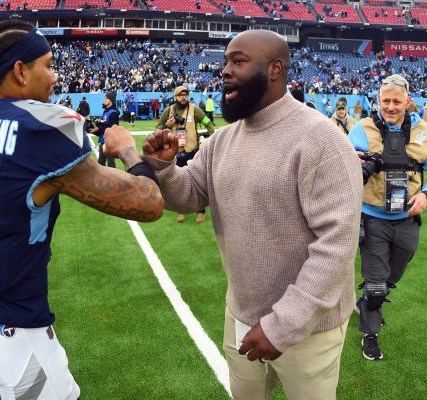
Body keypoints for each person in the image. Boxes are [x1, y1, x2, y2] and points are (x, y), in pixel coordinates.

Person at [0, 20, 163, 400]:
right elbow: (150, 203)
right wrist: (127, 149)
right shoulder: (40, 129)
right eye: (48, 64)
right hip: (16, 331)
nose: (56, 77)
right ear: (21, 72)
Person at [106, 29, 363, 399]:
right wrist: (163, 169)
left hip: (309, 329)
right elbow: (189, 195)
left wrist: (282, 324)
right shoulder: (223, 140)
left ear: (275, 69)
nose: (225, 70)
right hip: (241, 316)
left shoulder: (321, 140)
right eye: (226, 61)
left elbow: (336, 247)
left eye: (238, 61)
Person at [347, 74, 427, 361]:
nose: (391, 107)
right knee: (377, 283)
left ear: (408, 100)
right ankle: (370, 334)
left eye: (396, 101)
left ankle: (367, 299)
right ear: (377, 100)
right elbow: (341, 164)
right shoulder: (362, 128)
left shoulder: (423, 131)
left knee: (394, 273)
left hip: (407, 218)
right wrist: (351, 159)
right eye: (385, 101)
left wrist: (424, 194)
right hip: (373, 218)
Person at [157, 85, 215, 223]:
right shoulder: (168, 111)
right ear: (175, 97)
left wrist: (210, 141)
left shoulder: (195, 109)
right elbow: (158, 130)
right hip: (175, 153)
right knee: (176, 184)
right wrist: (167, 124)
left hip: (192, 152)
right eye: (180, 95)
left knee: (199, 183)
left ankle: (200, 211)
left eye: (185, 95)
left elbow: (209, 124)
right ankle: (181, 211)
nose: (183, 97)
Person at [88, 92, 120, 168]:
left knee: (111, 163)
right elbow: (103, 125)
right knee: (100, 162)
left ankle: (114, 179)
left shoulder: (113, 113)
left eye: (106, 98)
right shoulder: (106, 111)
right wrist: (95, 129)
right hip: (103, 140)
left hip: (110, 142)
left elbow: (111, 128)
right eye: (104, 98)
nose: (104, 100)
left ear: (111, 100)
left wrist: (98, 128)